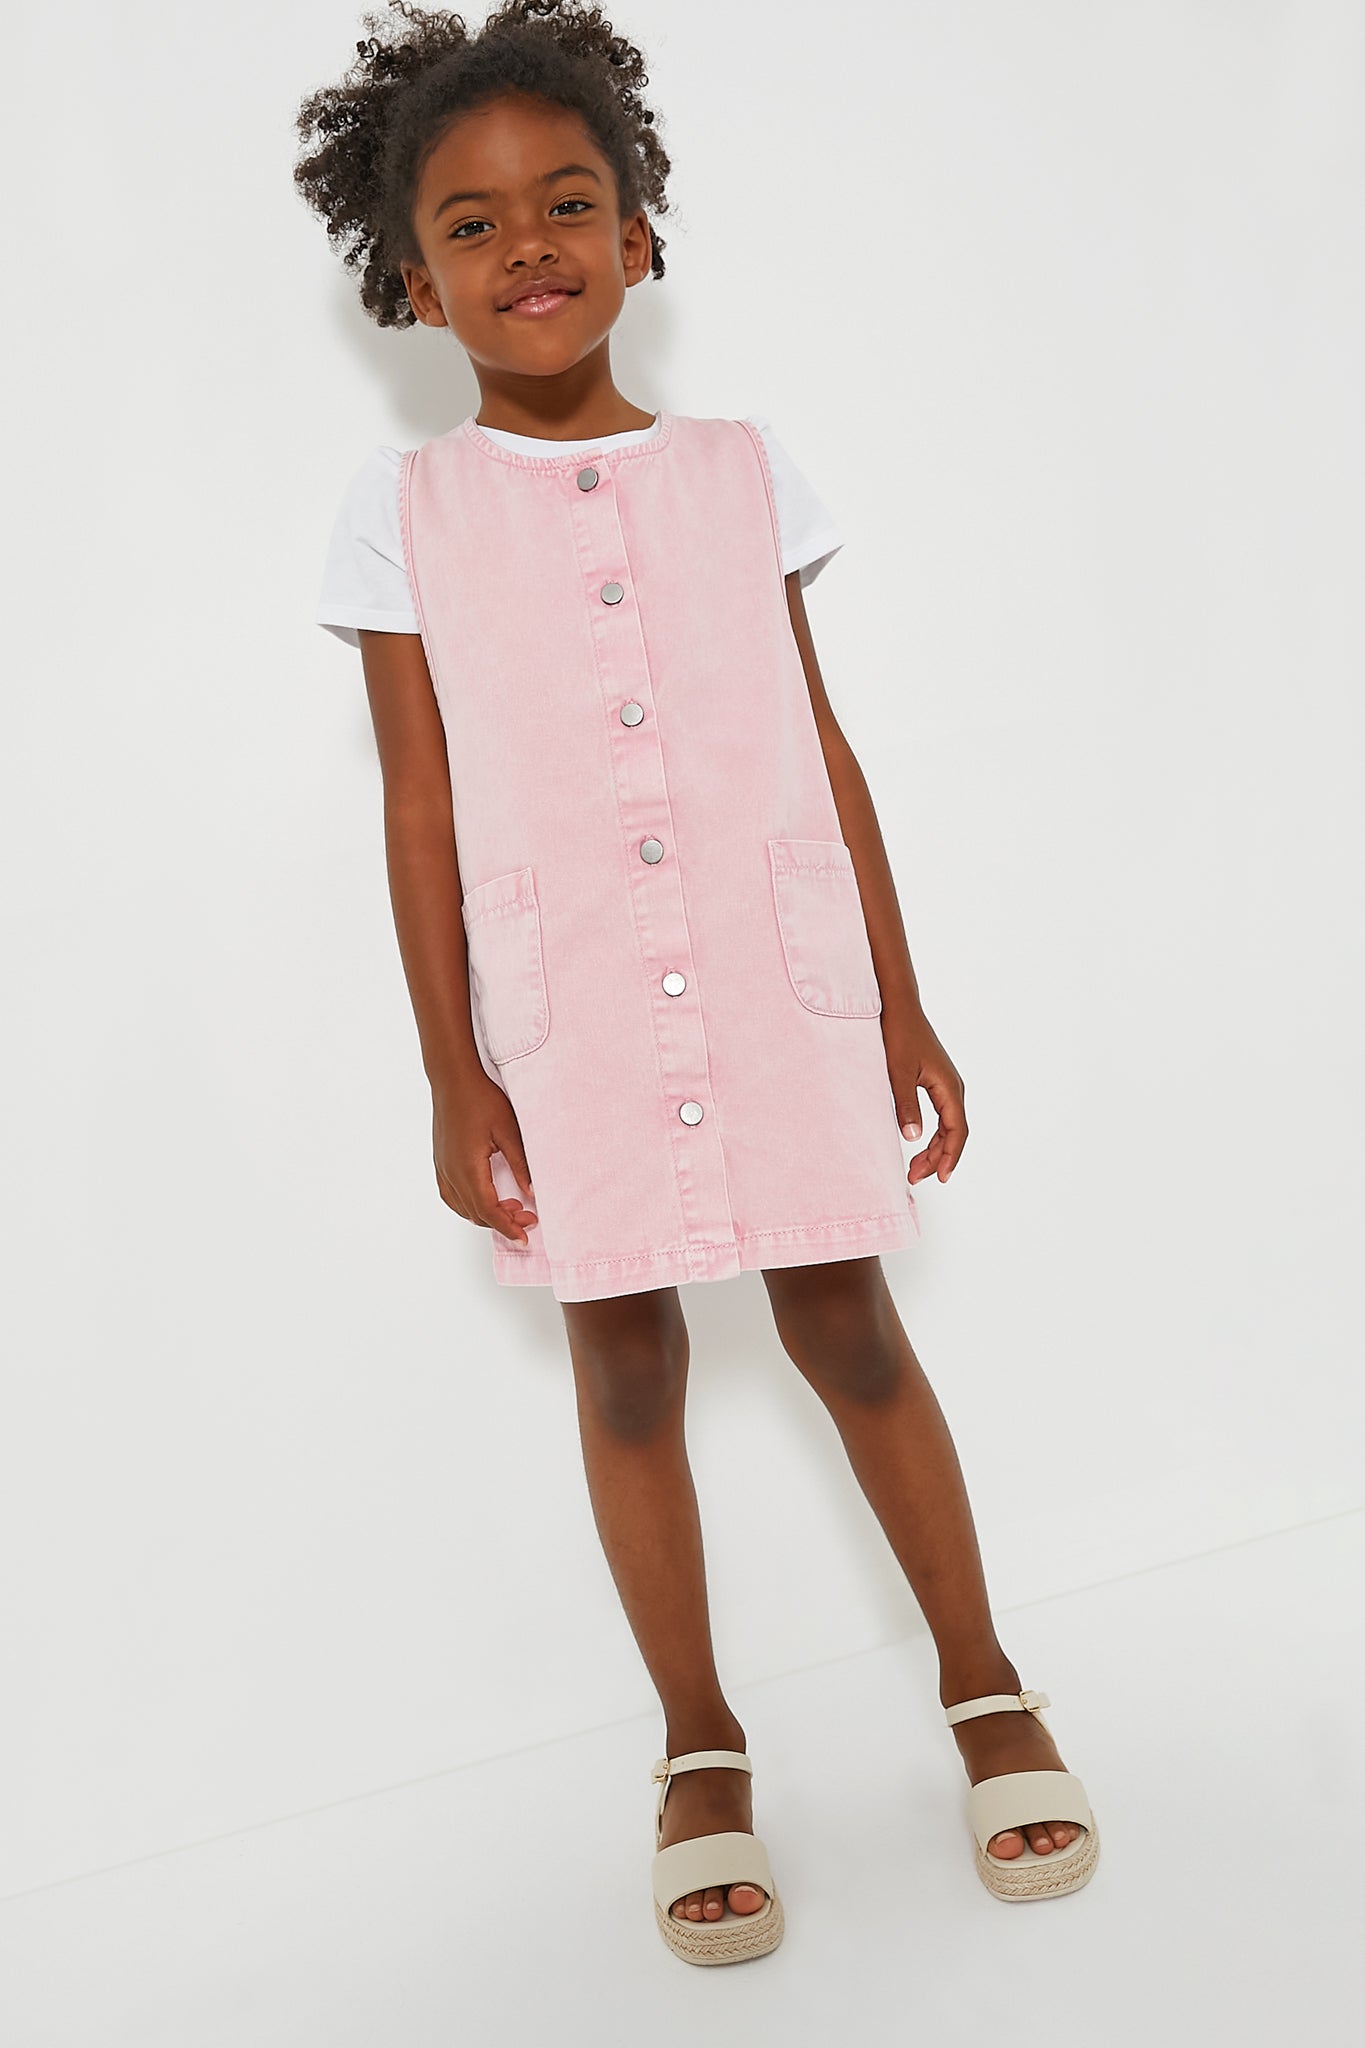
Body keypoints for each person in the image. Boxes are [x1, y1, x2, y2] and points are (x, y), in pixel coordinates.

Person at [295, 0, 1098, 1966]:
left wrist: (896, 998)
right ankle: (696, 1740)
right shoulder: (403, 512)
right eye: (471, 224)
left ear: (639, 234)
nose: (528, 244)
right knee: (628, 1364)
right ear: (412, 282)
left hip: (771, 974)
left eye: (567, 202)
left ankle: (985, 1682)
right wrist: (449, 1071)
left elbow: (819, 746)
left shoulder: (743, 470)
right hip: (565, 1006)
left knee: (849, 1330)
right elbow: (417, 807)